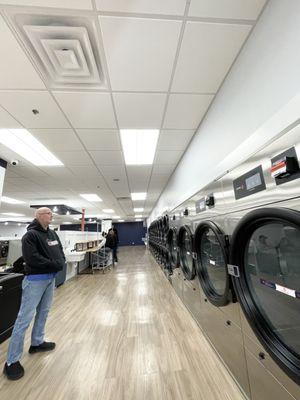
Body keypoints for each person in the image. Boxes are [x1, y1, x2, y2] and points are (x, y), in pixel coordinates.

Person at [3, 207, 66, 381]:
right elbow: (32, 259)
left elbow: (59, 250)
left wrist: (61, 260)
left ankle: (37, 342)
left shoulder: (52, 234)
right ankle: (11, 361)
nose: (51, 215)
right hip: (35, 281)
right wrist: (54, 263)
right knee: (24, 319)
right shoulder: (30, 236)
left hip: (50, 279)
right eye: (48, 213)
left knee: (44, 313)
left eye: (51, 214)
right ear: (38, 216)